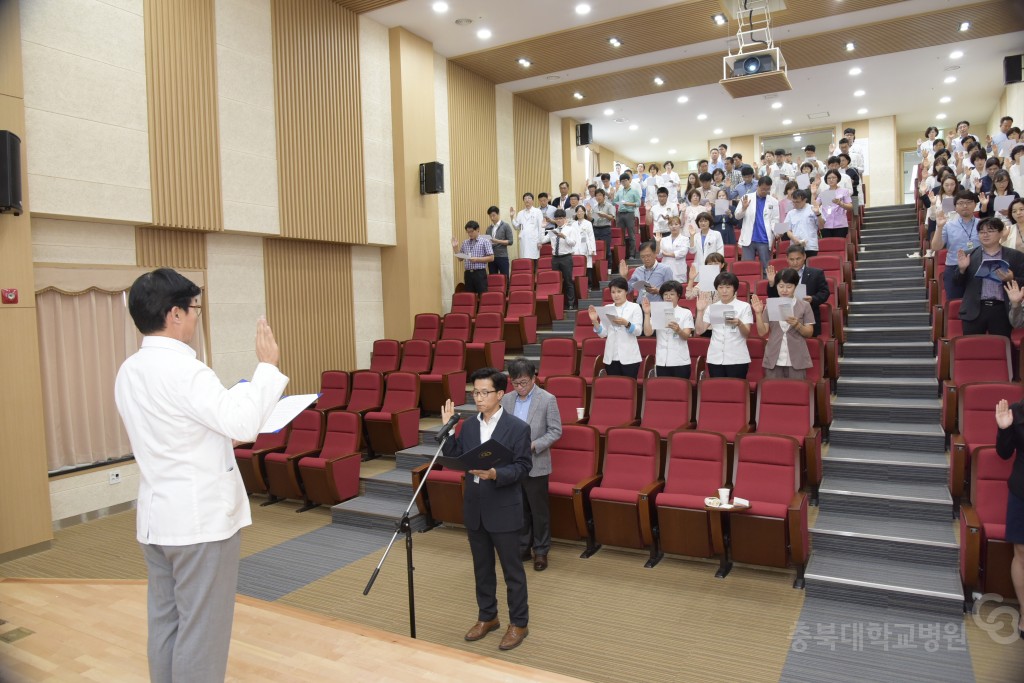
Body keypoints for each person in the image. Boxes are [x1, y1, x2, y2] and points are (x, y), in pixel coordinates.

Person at [114, 268, 289, 683]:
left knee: (166, 622)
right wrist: (267, 367)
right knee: (202, 631)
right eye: (194, 309)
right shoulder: (186, 372)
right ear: (174, 314)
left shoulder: (130, 370)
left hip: (158, 519)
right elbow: (244, 424)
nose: (196, 317)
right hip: (199, 524)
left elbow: (175, 431)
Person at [439, 368, 533, 651]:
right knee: (481, 568)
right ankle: (487, 616)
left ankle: (519, 623)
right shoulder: (468, 426)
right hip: (475, 507)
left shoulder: (517, 428)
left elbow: (523, 467)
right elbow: (455, 456)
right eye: (475, 393)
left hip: (504, 507)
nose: (478, 398)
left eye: (484, 393)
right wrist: (447, 430)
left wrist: (496, 474)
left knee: (512, 571)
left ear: (500, 394)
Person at [500, 359, 562, 572]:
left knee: (538, 511)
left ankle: (541, 551)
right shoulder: (506, 400)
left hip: (536, 463)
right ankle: (523, 547)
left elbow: (555, 431)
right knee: (519, 509)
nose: (520, 387)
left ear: (534, 378)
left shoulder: (547, 399)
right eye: (515, 383)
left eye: (524, 383)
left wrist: (534, 445)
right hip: (513, 465)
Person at [954, 217, 1024, 337]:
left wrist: (1011, 278)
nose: (985, 235)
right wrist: (962, 269)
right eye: (981, 232)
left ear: (1001, 233)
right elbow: (957, 284)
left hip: (1001, 309)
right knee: (971, 348)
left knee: (1001, 348)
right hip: (974, 309)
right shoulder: (969, 255)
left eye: (990, 231)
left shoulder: (1016, 256)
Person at [994, 397, 1024, 637]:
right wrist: (1004, 429)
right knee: (1022, 554)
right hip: (1022, 491)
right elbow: (1004, 453)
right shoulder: (1016, 411)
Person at [751, 268, 815, 378]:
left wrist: (797, 325)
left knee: (797, 392)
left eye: (789, 286)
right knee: (774, 392)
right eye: (781, 286)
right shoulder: (770, 305)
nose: (784, 290)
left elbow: (809, 333)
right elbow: (762, 332)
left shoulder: (804, 305)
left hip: (797, 357)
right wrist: (758, 314)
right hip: (774, 356)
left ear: (795, 287)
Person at [695, 271, 753, 378]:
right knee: (718, 391)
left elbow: (746, 334)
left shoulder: (744, 306)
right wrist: (699, 311)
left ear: (734, 288)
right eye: (721, 287)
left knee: (736, 392)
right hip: (715, 358)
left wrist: (740, 323)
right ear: (717, 289)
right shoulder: (712, 307)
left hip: (737, 358)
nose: (724, 291)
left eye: (728, 287)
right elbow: (699, 331)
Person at [767, 244, 830, 336]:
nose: (795, 262)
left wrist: (813, 299)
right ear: (787, 259)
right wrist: (772, 283)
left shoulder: (816, 273)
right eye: (792, 259)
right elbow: (773, 297)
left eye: (798, 259)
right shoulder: (782, 275)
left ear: (804, 256)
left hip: (808, 317)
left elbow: (825, 293)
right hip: (786, 317)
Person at [931, 190, 981, 301]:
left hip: (978, 268)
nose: (965, 206)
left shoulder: (983, 224)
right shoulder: (947, 225)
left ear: (975, 204)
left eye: (968, 202)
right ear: (955, 207)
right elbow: (936, 247)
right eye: (961, 203)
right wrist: (939, 228)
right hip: (954, 268)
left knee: (979, 303)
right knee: (956, 304)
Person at [589, 276, 643, 378]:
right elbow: (603, 334)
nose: (616, 295)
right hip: (611, 356)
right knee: (614, 388)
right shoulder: (607, 308)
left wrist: (627, 324)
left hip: (630, 357)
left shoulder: (634, 307)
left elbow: (638, 331)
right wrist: (595, 321)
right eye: (613, 292)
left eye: (619, 291)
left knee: (629, 388)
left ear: (626, 291)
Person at [641, 280, 694, 378]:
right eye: (665, 294)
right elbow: (648, 333)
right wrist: (647, 314)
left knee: (681, 390)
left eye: (672, 294)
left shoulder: (685, 312)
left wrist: (678, 330)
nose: (668, 297)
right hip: (662, 360)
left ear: (678, 296)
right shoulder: (658, 311)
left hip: (680, 361)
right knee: (664, 391)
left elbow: (686, 336)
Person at [735, 176, 779, 276]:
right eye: (763, 189)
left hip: (764, 239)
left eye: (768, 189)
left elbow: (775, 220)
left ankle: (765, 289)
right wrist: (743, 208)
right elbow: (737, 216)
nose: (765, 191)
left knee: (766, 268)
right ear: (757, 186)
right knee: (747, 268)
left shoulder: (774, 201)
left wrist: (777, 232)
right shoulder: (746, 198)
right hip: (748, 239)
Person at [541, 209, 579, 310]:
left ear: (565, 219)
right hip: (555, 259)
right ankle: (558, 305)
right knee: (556, 282)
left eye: (561, 218)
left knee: (568, 281)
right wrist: (542, 228)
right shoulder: (553, 231)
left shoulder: (570, 229)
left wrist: (564, 237)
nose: (559, 221)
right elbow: (542, 240)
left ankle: (571, 303)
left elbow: (573, 243)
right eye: (557, 219)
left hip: (566, 257)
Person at [452, 220, 494, 294]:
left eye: (471, 231)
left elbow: (491, 257)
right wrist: (455, 248)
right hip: (468, 274)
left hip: (480, 273)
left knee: (482, 296)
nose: (470, 234)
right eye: (468, 232)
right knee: (469, 297)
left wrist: (477, 259)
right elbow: (460, 258)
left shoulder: (485, 241)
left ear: (477, 229)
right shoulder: (465, 242)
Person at [815, 170, 853, 239]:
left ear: (838, 178)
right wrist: (814, 192)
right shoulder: (823, 193)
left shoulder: (844, 191)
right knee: (827, 245)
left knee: (840, 245)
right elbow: (815, 206)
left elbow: (850, 207)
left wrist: (840, 203)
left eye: (833, 177)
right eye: (829, 178)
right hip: (826, 224)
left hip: (840, 224)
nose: (831, 180)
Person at [782, 189, 820, 257]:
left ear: (805, 200)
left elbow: (822, 226)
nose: (795, 204)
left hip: (810, 246)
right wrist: (793, 238)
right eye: (793, 202)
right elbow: (787, 230)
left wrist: (818, 214)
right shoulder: (791, 213)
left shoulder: (813, 209)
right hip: (795, 246)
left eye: (797, 202)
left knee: (809, 266)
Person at [614, 172, 641, 258]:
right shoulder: (619, 191)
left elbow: (639, 203)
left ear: (629, 180)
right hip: (620, 214)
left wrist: (629, 204)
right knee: (620, 235)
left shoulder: (634, 191)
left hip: (629, 213)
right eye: (622, 181)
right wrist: (612, 196)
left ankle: (632, 254)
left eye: (625, 180)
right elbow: (614, 202)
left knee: (631, 235)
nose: (624, 182)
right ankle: (622, 255)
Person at [511, 193, 544, 262]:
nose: (527, 200)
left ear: (532, 201)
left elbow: (541, 227)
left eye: (529, 198)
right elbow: (517, 227)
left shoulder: (537, 211)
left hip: (534, 241)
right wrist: (512, 217)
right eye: (525, 198)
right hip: (523, 240)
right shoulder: (520, 213)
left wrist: (540, 241)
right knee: (524, 260)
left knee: (534, 260)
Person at [571, 204, 597, 285]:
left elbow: (591, 237)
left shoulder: (588, 223)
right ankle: (578, 284)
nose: (579, 213)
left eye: (581, 211)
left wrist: (592, 249)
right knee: (577, 267)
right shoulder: (573, 224)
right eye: (578, 212)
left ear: (584, 213)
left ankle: (588, 285)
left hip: (586, 247)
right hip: (575, 248)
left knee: (587, 266)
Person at [485, 206, 513, 280]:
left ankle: (506, 291)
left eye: (493, 215)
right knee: (493, 279)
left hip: (502, 256)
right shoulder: (489, 228)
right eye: (490, 216)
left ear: (498, 214)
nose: (492, 218)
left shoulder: (505, 226)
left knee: (505, 278)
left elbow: (510, 241)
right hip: (491, 257)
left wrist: (497, 241)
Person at [659, 216, 689, 281]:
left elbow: (682, 253)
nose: (673, 226)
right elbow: (659, 255)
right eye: (671, 225)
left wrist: (666, 254)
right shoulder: (663, 240)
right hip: (665, 267)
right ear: (668, 226)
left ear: (680, 225)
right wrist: (657, 243)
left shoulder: (685, 239)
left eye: (676, 224)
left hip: (679, 270)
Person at [592, 188, 616, 267]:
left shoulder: (609, 206)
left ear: (604, 196)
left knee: (606, 249)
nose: (598, 197)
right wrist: (588, 212)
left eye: (600, 195)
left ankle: (609, 268)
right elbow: (591, 219)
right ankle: (599, 268)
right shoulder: (594, 207)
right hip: (595, 229)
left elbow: (612, 218)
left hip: (605, 229)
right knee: (596, 249)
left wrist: (605, 215)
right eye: (596, 196)